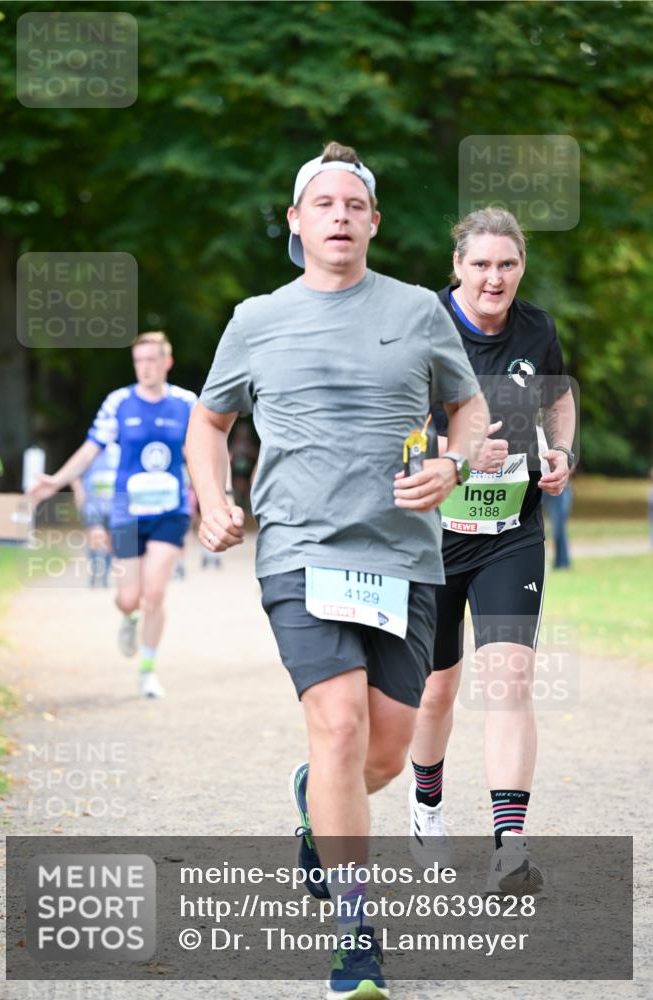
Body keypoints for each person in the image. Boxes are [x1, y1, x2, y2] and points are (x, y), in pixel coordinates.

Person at [186, 142, 489, 999]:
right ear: (296, 221)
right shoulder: (255, 319)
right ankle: (356, 930)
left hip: (402, 555)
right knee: (340, 729)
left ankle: (313, 800)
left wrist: (454, 468)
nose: (340, 217)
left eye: (354, 205)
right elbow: (209, 423)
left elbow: (465, 408)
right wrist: (212, 499)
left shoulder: (418, 312)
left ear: (374, 222)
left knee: (385, 754)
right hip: (298, 551)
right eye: (323, 204)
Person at [407, 207, 576, 894]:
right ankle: (425, 810)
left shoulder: (535, 327)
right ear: (457, 267)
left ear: (520, 268)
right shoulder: (425, 328)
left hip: (510, 537)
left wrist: (560, 449)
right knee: (435, 689)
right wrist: (457, 454)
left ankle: (509, 846)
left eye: (506, 264)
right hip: (431, 539)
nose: (493, 278)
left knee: (506, 680)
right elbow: (393, 427)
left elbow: (558, 395)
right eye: (480, 264)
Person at [27, 332, 198, 698]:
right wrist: (57, 480)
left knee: (155, 593)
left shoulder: (186, 403)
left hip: (170, 509)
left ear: (167, 362)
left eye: (153, 359)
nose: (146, 367)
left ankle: (148, 671)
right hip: (126, 512)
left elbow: (202, 452)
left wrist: (221, 494)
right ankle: (128, 617)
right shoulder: (119, 402)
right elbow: (91, 450)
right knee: (129, 598)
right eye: (140, 360)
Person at [71, 441, 120, 587]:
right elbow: (74, 473)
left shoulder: (120, 451)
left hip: (114, 506)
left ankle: (104, 576)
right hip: (93, 504)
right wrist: (79, 491)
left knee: (110, 541)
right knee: (96, 537)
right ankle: (93, 574)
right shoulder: (91, 450)